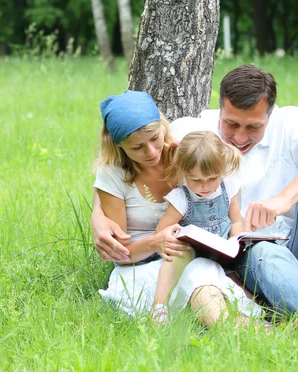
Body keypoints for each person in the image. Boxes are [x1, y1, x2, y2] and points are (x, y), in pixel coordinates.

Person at [93, 65, 298, 325]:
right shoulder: (191, 132)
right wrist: (98, 215)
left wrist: (284, 199)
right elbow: (123, 173)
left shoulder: (289, 124)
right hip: (244, 259)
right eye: (231, 125)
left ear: (271, 113)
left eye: (253, 127)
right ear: (219, 110)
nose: (240, 138)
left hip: (296, 248)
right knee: (262, 251)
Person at [93, 90, 262, 327]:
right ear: (119, 146)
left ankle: (256, 328)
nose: (151, 152)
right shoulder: (113, 176)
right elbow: (120, 253)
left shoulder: (182, 152)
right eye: (137, 148)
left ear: (162, 126)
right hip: (143, 267)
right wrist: (154, 242)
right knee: (197, 273)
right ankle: (253, 331)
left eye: (154, 138)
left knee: (203, 271)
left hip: (193, 257)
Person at [150, 131, 248, 324]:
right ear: (184, 173)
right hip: (191, 252)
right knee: (177, 257)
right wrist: (172, 238)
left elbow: (236, 221)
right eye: (196, 180)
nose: (205, 186)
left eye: (212, 178)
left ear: (222, 170)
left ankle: (254, 314)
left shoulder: (228, 189)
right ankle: (159, 307)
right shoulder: (181, 197)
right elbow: (161, 231)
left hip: (221, 252)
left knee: (239, 279)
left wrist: (233, 240)